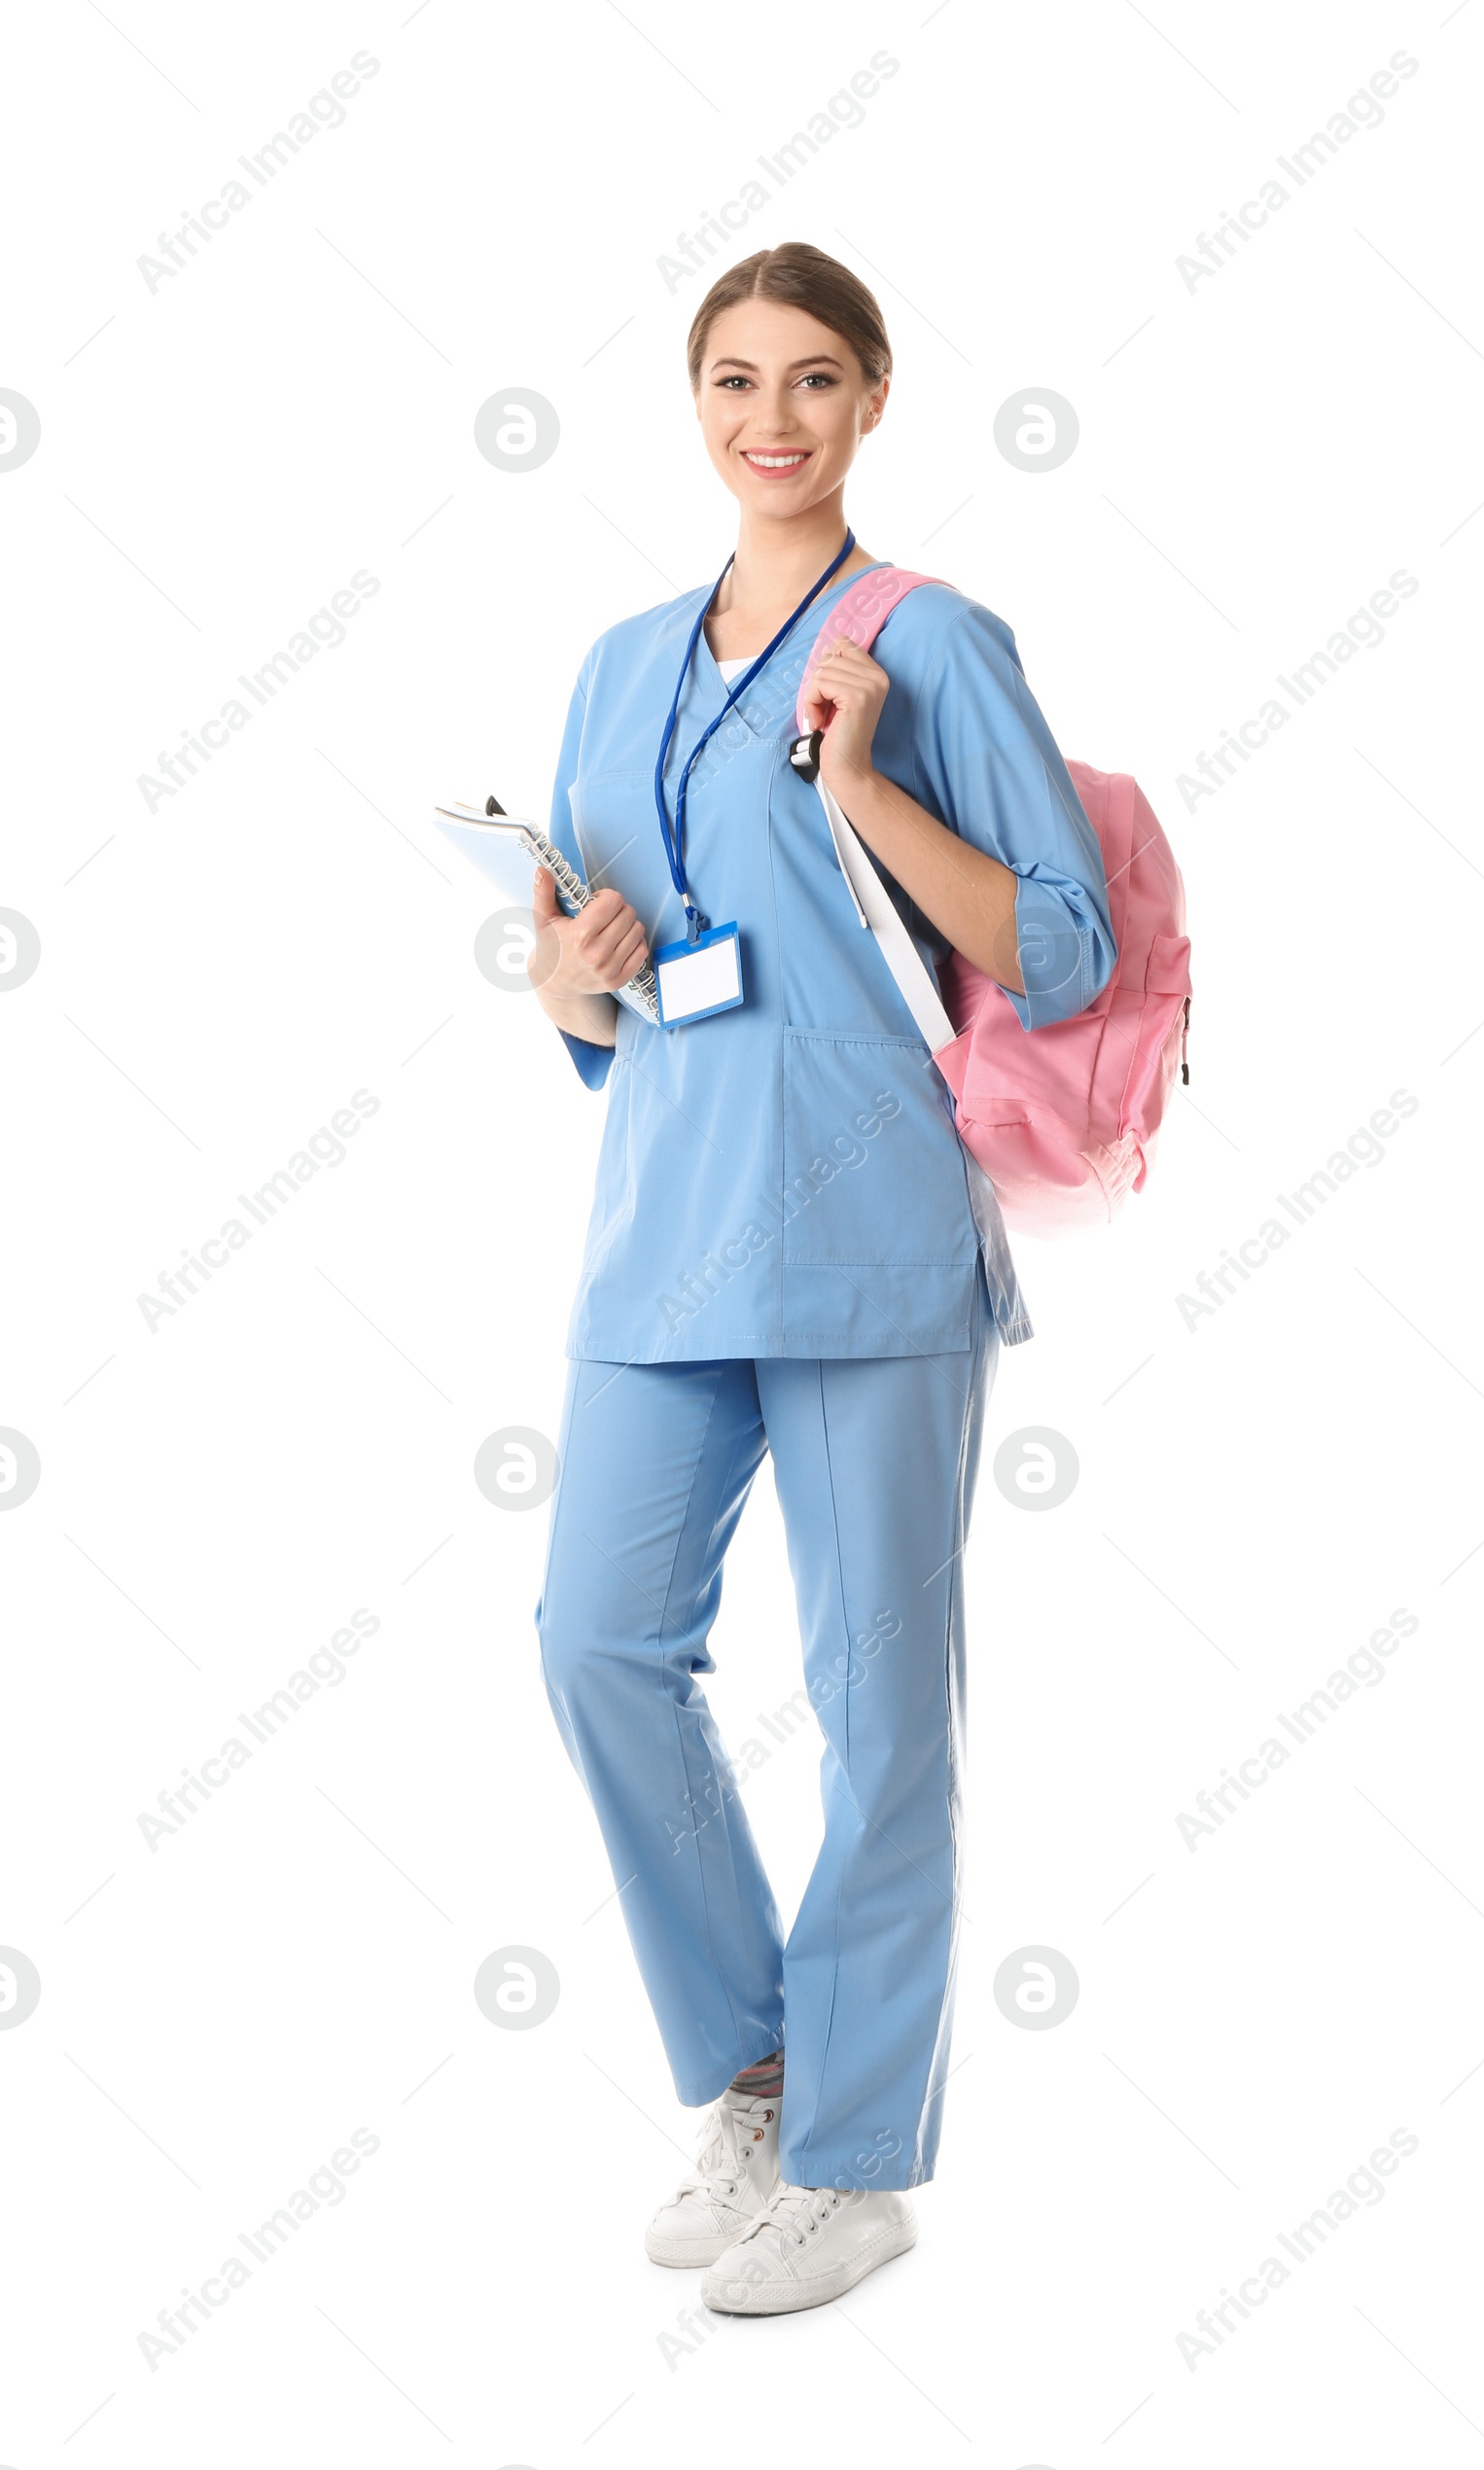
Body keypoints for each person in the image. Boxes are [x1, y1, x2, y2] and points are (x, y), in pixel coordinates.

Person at [531, 241, 1115, 2316]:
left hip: (866, 1240)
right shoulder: (612, 664)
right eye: (727, 378)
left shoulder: (927, 639)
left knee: (878, 1713)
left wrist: (861, 782)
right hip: (663, 1228)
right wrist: (557, 979)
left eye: (807, 380)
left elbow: (1060, 945)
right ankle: (767, 2070)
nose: (765, 417)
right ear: (689, 401)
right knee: (596, 1641)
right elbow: (607, 988)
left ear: (871, 401)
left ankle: (858, 2164)